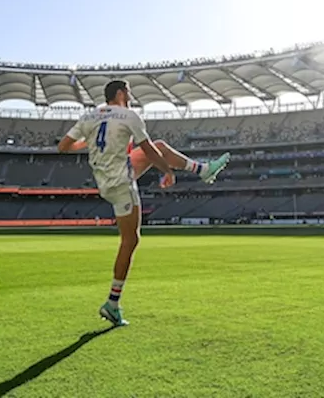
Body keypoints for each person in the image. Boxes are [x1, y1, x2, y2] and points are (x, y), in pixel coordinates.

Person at [58, 79, 229, 327]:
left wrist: (88, 140)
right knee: (131, 240)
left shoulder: (90, 116)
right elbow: (148, 151)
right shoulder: (129, 116)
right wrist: (167, 172)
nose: (130, 95)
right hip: (121, 183)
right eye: (128, 91)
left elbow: (63, 146)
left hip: (105, 178)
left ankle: (202, 169)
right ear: (120, 93)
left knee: (160, 146)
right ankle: (112, 304)